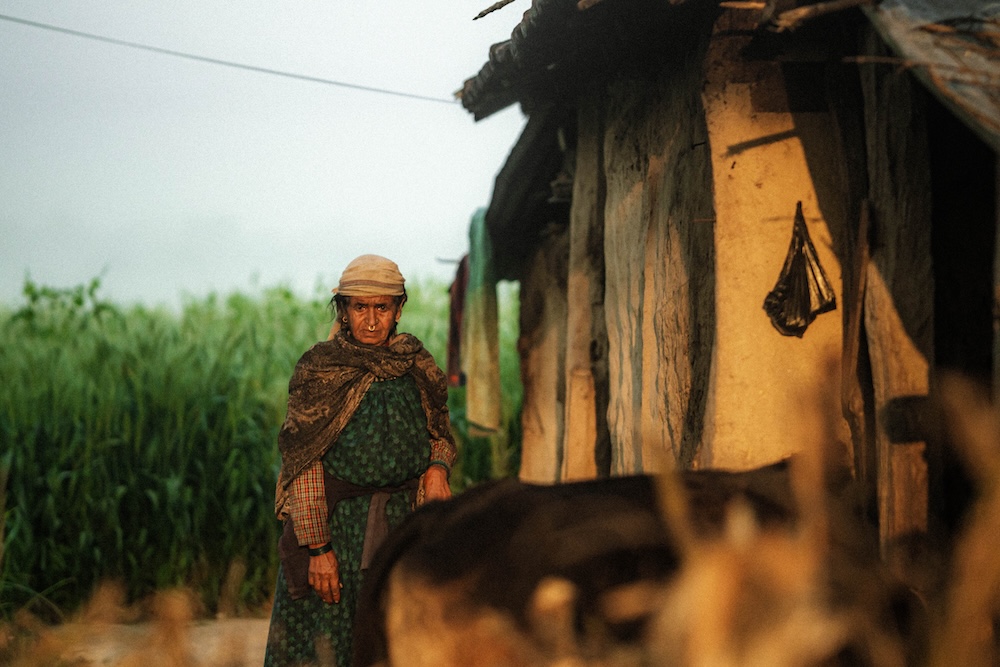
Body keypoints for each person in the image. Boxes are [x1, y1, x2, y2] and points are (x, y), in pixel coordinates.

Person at [264, 254, 456, 667]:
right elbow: (304, 461)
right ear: (344, 310)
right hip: (338, 534)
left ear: (399, 309)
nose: (371, 320)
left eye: (381, 308)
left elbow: (439, 433)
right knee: (325, 648)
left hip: (405, 529)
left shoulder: (416, 365)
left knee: (398, 645)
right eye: (360, 307)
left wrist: (438, 468)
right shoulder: (322, 370)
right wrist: (318, 549)